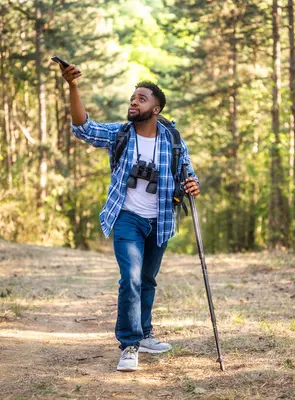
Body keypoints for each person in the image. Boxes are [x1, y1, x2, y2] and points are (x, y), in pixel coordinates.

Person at [60, 63, 200, 372]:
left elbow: (188, 174)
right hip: (127, 217)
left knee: (147, 279)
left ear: (156, 108)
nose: (133, 102)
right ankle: (129, 344)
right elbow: (83, 127)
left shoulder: (173, 139)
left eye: (141, 98)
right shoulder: (119, 134)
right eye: (132, 98)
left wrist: (193, 185)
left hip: (160, 220)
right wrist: (72, 87)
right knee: (131, 279)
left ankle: (146, 334)